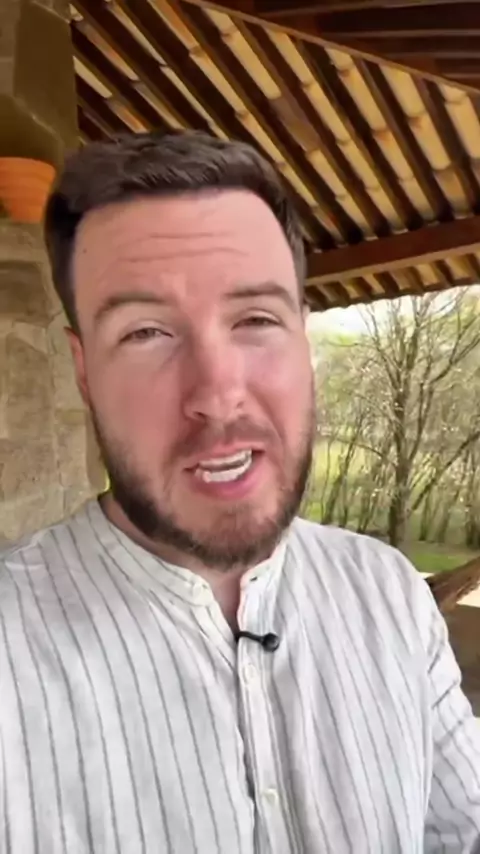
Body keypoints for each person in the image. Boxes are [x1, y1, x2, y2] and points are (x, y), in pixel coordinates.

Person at [0, 129, 479, 854]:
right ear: (84, 370)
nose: (218, 394)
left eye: (256, 319)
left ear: (303, 340)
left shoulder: (390, 594)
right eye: (147, 333)